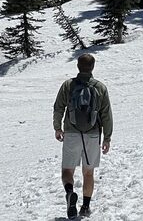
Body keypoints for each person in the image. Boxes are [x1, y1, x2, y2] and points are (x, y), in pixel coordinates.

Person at [53, 53, 113, 218]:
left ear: (78, 66)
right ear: (92, 67)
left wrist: (57, 128)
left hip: (72, 133)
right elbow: (106, 114)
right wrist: (107, 137)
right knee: (88, 172)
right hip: (92, 135)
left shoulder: (68, 85)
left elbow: (58, 107)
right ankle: (85, 207)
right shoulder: (100, 87)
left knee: (67, 171)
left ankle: (69, 192)